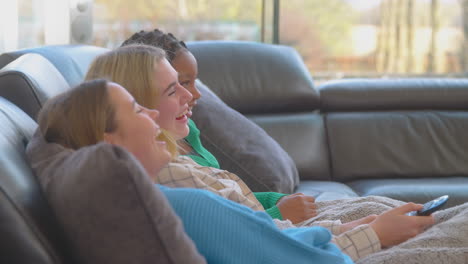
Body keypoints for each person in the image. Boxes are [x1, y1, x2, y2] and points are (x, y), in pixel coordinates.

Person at [84, 44, 435, 261]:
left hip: (310, 241)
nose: (192, 97)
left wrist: (352, 227)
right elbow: (278, 251)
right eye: (174, 90)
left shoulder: (175, 169)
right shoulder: (181, 190)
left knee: (415, 216)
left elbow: (271, 236)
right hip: (324, 251)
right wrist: (371, 234)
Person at [36, 78, 355, 263]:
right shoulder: (185, 205)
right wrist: (367, 234)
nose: (151, 113)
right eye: (137, 108)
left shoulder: (145, 203)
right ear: (109, 141)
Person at [120, 29, 317, 224]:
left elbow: (230, 195)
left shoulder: (189, 131)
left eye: (192, 82)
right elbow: (216, 224)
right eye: (182, 83)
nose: (194, 94)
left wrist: (276, 200)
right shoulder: (169, 168)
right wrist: (277, 213)